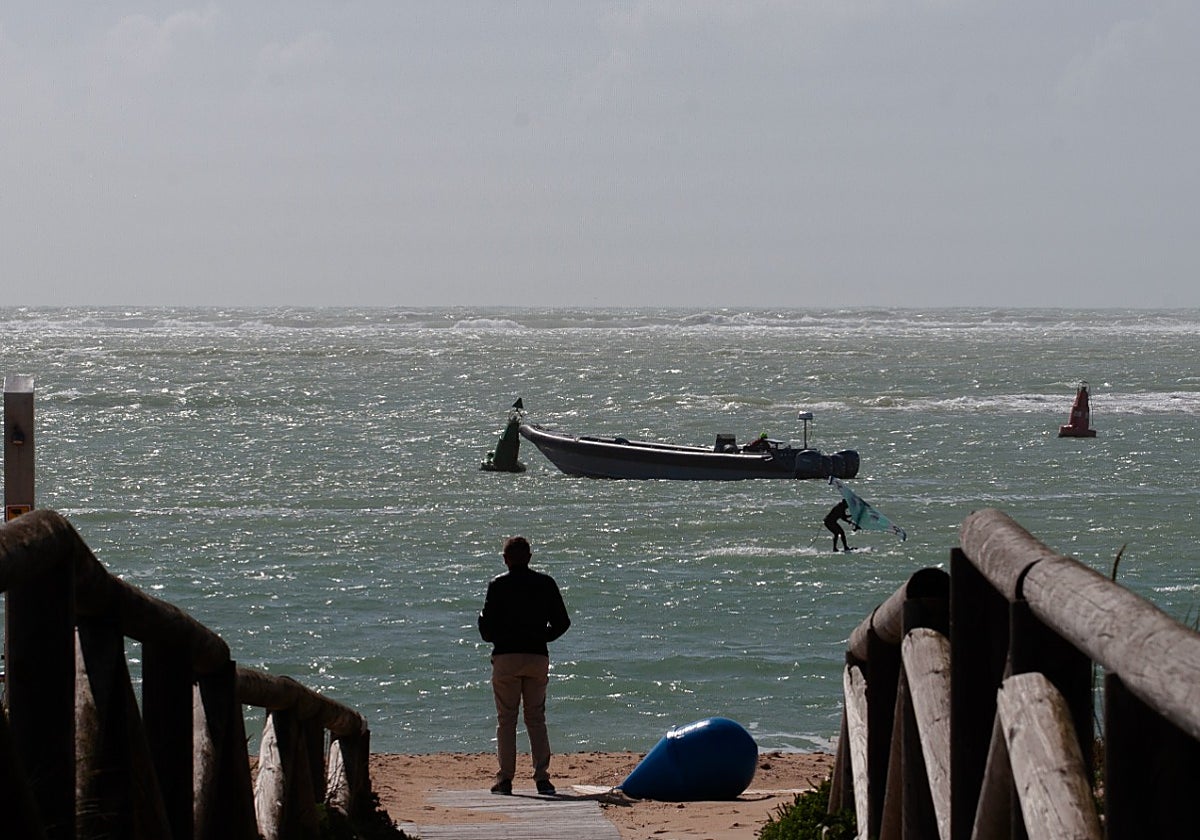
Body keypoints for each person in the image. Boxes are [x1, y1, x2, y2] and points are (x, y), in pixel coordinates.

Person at [478, 536, 571, 796]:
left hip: (506, 656)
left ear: (505, 559)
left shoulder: (497, 585)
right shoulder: (545, 583)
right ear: (529, 557)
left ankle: (505, 779)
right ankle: (542, 778)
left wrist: (497, 632)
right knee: (536, 718)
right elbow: (562, 622)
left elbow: (486, 630)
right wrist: (543, 637)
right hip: (536, 656)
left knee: (506, 720)